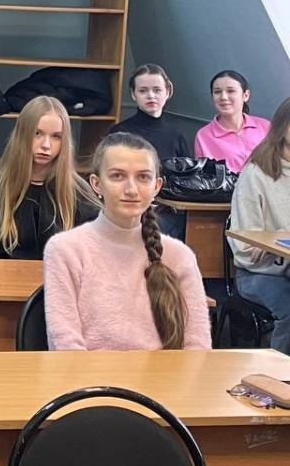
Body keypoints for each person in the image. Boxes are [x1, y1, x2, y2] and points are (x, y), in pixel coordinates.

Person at [44, 132, 211, 350]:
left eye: (143, 177)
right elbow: (65, 345)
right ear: (96, 184)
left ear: (157, 186)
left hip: (163, 372)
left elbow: (197, 347)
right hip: (89, 372)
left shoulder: (180, 256)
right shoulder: (65, 249)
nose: (131, 190)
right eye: (117, 176)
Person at [0, 96, 96, 259]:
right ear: (22, 135)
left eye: (56, 136)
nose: (46, 145)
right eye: (37, 133)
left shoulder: (80, 196)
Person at [228, 97, 290, 354]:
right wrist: (273, 241)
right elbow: (246, 248)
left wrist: (278, 238)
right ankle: (281, 376)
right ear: (282, 125)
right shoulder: (256, 174)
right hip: (259, 273)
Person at [106, 64, 191, 160]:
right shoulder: (119, 133)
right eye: (143, 91)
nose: (151, 96)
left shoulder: (178, 137)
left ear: (167, 92)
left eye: (157, 90)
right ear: (133, 94)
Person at [195, 69, 270, 173]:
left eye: (231, 91)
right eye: (217, 92)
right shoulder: (204, 136)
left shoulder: (265, 127)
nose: (223, 97)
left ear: (246, 95)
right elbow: (203, 176)